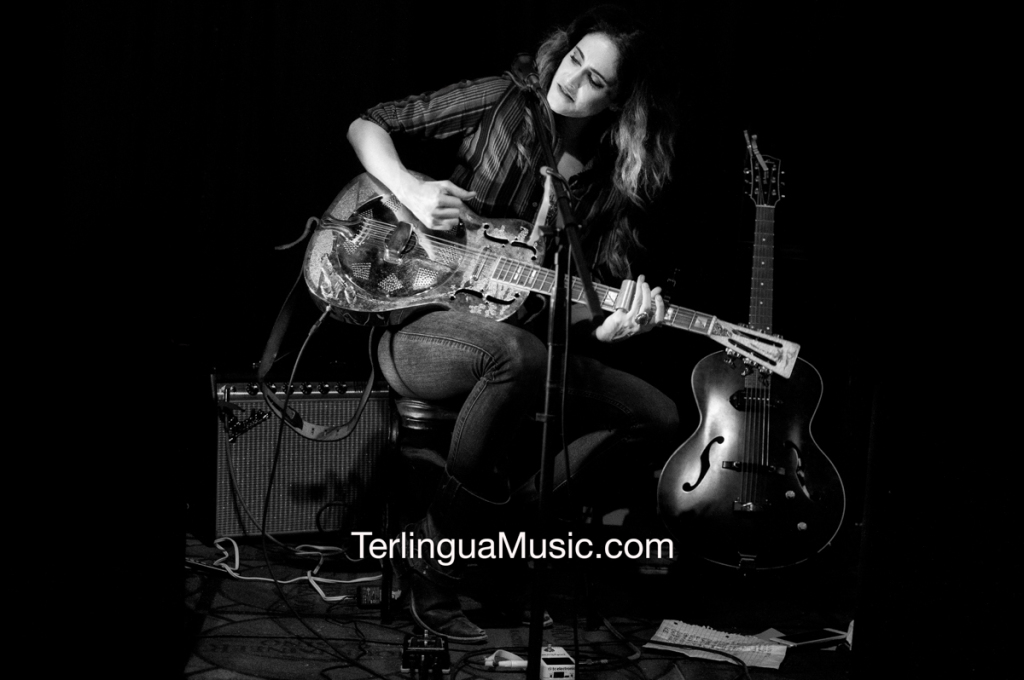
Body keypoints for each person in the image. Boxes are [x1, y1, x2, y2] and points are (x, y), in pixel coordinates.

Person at [345, 4, 680, 643]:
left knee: (657, 415)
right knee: (518, 355)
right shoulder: (503, 100)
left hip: (516, 343)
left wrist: (610, 328)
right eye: (576, 59)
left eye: (596, 82)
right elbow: (369, 124)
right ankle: (439, 572)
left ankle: (486, 537)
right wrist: (411, 191)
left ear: (618, 104)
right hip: (418, 325)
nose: (572, 81)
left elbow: (578, 304)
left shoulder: (608, 182)